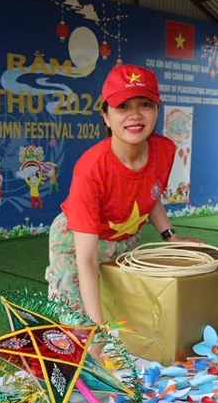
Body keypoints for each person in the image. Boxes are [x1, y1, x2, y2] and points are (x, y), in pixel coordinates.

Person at [45, 64, 203, 326]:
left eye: (145, 104)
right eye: (123, 106)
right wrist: (95, 328)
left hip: (125, 239)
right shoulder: (91, 169)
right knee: (79, 323)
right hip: (78, 242)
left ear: (157, 109)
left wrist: (171, 236)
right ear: (106, 116)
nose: (135, 115)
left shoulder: (164, 150)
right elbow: (86, 261)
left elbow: (149, 195)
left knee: (125, 316)